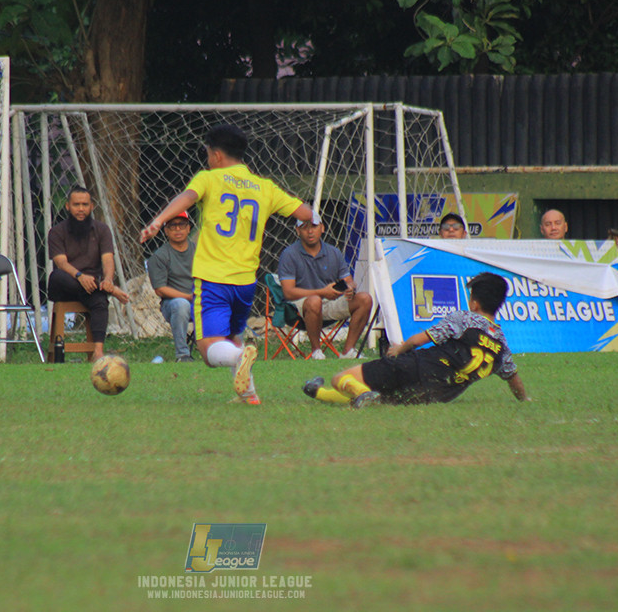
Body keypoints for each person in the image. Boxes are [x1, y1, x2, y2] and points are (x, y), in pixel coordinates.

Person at [140, 124, 314, 404]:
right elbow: (306, 213)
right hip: (246, 281)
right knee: (232, 336)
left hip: (213, 279)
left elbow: (187, 197)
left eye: (208, 152)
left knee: (209, 349)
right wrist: (314, 218)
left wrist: (158, 221)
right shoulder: (265, 187)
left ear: (216, 155)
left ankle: (238, 358)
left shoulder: (210, 178)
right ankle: (249, 394)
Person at [302, 272, 529, 408]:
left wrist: (400, 349)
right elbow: (514, 378)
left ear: (474, 304)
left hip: (415, 368)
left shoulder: (465, 319)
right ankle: (315, 391)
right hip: (436, 394)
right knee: (381, 400)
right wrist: (525, 400)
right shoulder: (502, 347)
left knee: (340, 378)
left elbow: (422, 338)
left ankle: (355, 393)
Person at [48, 186, 130, 361]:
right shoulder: (57, 232)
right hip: (66, 283)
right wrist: (80, 277)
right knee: (58, 276)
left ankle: (98, 351)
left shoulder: (102, 230)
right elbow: (61, 263)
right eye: (76, 204)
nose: (81, 209)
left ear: (91, 206)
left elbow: (108, 260)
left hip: (93, 286)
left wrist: (108, 279)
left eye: (85, 204)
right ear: (67, 206)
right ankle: (107, 290)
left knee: (100, 301)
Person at [276, 213, 373, 360]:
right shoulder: (289, 254)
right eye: (304, 227)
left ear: (322, 228)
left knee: (365, 298)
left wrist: (349, 289)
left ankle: (348, 352)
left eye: (314, 226)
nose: (310, 231)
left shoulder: (334, 252)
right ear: (297, 230)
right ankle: (316, 351)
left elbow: (349, 281)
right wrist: (322, 292)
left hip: (330, 302)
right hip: (300, 305)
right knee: (315, 300)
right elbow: (289, 292)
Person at [147, 211, 196, 362]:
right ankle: (183, 354)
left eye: (181, 225)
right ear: (166, 231)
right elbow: (160, 289)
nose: (177, 229)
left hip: (199, 298)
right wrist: (187, 297)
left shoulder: (199, 251)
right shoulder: (160, 256)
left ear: (188, 228)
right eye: (172, 226)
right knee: (181, 304)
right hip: (172, 303)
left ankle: (219, 351)